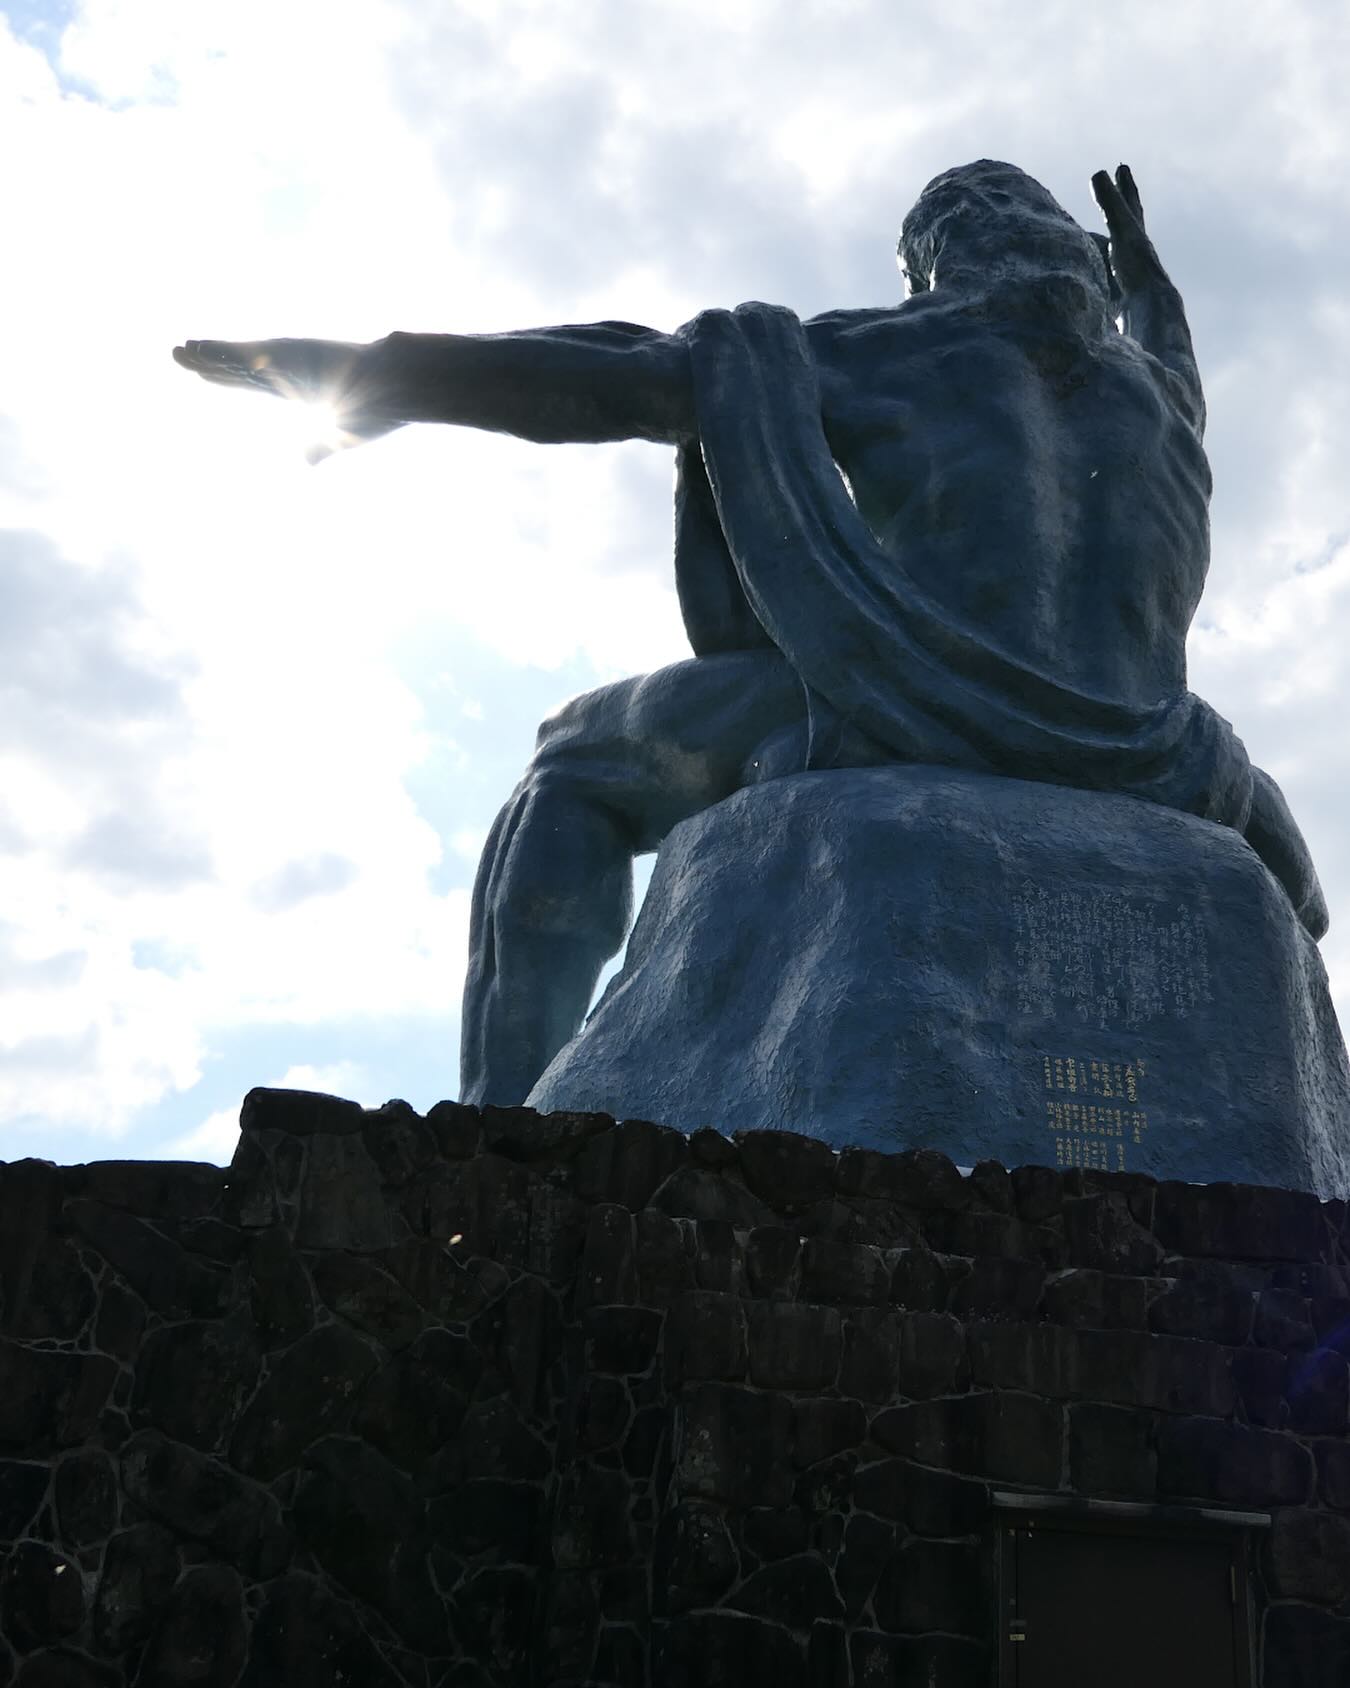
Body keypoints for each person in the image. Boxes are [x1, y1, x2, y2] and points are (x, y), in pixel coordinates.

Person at [175, 161, 1326, 1107]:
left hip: (913, 706)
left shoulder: (884, 351)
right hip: (1158, 755)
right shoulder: (1164, 397)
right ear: (1075, 256)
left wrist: (379, 373)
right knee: (1307, 901)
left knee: (570, 762)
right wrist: (1146, 276)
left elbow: (618, 373)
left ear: (937, 262)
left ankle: (493, 1122)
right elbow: (1167, 336)